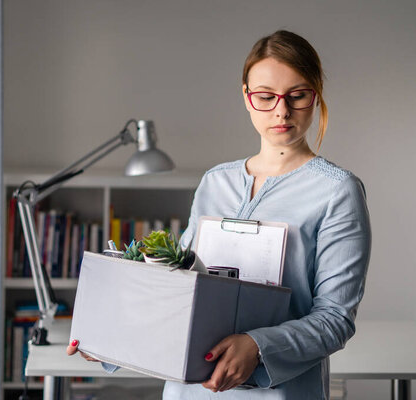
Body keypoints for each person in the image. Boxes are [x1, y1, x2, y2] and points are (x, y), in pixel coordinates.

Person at [67, 30, 371, 399]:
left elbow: (335, 319)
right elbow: (176, 289)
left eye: (298, 95)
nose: (281, 110)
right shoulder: (216, 181)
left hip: (278, 392)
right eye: (265, 96)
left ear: (316, 95)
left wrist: (257, 345)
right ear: (246, 97)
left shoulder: (337, 191)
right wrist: (108, 336)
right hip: (189, 390)